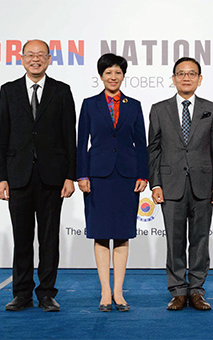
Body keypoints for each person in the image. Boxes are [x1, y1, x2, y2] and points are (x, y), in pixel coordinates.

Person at [0, 39, 76, 312]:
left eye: (41, 55)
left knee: (49, 238)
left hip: (52, 178)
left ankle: (47, 293)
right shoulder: (8, 91)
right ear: (22, 58)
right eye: (30, 55)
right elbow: (1, 136)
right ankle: (21, 294)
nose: (35, 59)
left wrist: (70, 176)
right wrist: (0, 177)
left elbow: (69, 137)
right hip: (18, 176)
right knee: (22, 239)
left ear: (49, 59)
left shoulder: (61, 91)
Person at [148, 57, 213, 311]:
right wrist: (155, 183)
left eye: (192, 73)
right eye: (181, 73)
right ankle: (178, 291)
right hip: (170, 186)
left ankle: (196, 291)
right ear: (173, 78)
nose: (186, 77)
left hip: (203, 185)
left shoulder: (211, 108)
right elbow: (154, 150)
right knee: (174, 240)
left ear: (200, 79)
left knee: (200, 240)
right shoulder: (159, 109)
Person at [77, 53, 148, 312]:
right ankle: (104, 292)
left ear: (123, 75)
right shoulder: (89, 104)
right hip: (97, 176)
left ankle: (118, 292)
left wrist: (143, 174)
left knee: (121, 235)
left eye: (117, 72)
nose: (113, 77)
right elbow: (81, 141)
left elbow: (141, 143)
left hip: (127, 177)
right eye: (108, 72)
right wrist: (82, 175)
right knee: (100, 233)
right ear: (101, 76)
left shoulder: (134, 105)